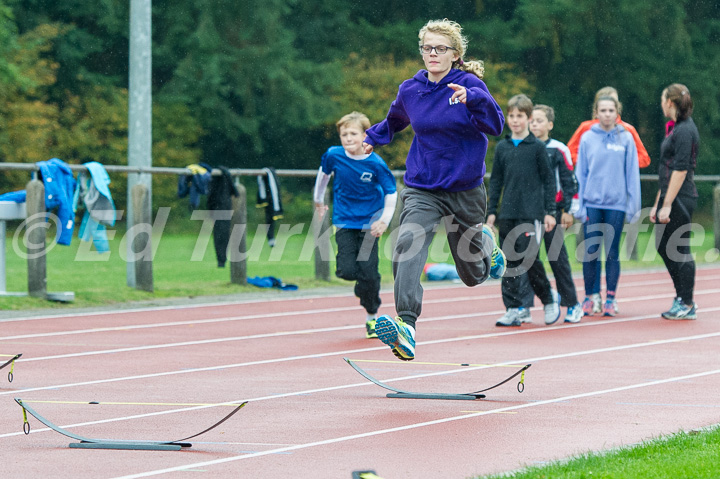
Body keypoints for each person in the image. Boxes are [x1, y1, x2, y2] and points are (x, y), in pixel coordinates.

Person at [362, 18, 506, 360]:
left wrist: (473, 99)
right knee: (407, 245)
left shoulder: (468, 85)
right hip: (422, 185)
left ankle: (486, 243)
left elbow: (496, 125)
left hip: (464, 189)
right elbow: (396, 119)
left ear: (455, 54)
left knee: (472, 274)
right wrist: (374, 137)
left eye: (440, 48)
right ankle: (406, 327)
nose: (432, 54)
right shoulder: (410, 89)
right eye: (427, 48)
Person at [314, 112, 398, 338]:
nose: (348, 138)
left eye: (353, 133)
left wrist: (384, 221)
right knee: (347, 271)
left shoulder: (375, 163)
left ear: (364, 135)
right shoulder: (334, 155)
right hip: (344, 221)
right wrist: (318, 200)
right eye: (344, 134)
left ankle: (372, 316)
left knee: (369, 272)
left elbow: (391, 192)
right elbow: (323, 176)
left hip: (370, 224)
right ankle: (362, 283)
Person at [486, 95, 561, 327]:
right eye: (511, 116)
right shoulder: (503, 148)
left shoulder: (538, 148)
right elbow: (496, 181)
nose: (515, 121)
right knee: (507, 262)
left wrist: (550, 211)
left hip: (531, 213)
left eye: (520, 116)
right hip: (507, 213)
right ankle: (513, 308)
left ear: (529, 118)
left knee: (529, 261)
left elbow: (549, 182)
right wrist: (491, 213)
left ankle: (548, 299)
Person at [574, 96, 641, 317]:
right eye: (603, 110)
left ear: (617, 112)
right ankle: (590, 297)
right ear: (596, 112)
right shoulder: (586, 138)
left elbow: (632, 174)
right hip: (592, 203)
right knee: (590, 251)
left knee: (612, 253)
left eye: (611, 110)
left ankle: (610, 298)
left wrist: (634, 207)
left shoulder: (627, 138)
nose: (607, 114)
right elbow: (581, 174)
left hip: (617, 205)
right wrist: (579, 206)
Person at [526, 104, 583, 323]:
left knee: (557, 258)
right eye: (532, 121)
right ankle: (525, 305)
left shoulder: (559, 149)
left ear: (550, 124)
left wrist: (569, 210)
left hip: (554, 212)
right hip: (528, 211)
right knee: (527, 259)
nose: (535, 125)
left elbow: (569, 181)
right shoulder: (523, 147)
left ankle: (572, 304)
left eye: (539, 121)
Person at [650, 84, 699, 320]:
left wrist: (668, 204)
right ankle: (681, 296)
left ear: (670, 102)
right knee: (662, 246)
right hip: (669, 196)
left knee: (680, 249)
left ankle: (687, 302)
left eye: (662, 100)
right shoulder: (674, 128)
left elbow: (680, 170)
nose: (660, 104)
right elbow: (667, 170)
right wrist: (658, 202)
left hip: (681, 197)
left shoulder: (685, 131)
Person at [567, 86, 651, 168]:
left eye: (614, 101)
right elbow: (569, 153)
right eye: (605, 101)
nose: (609, 104)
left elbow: (644, 159)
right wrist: (589, 161)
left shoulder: (628, 129)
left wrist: (620, 160)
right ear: (597, 107)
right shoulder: (586, 127)